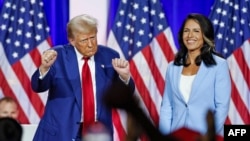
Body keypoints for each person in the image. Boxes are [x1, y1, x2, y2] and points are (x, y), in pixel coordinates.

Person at [31, 14, 135, 141]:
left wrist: (124, 77)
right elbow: (38, 86)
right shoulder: (57, 56)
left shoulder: (109, 56)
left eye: (93, 37)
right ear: (72, 40)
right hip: (61, 133)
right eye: (84, 40)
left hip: (98, 134)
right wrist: (44, 68)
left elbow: (123, 96)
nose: (91, 44)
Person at [159, 13, 231, 137]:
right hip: (177, 136)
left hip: (204, 137)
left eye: (196, 31)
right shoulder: (172, 67)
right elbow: (167, 107)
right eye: (186, 31)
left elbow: (222, 107)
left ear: (205, 35)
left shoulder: (219, 65)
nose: (190, 35)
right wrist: (164, 137)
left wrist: (208, 136)